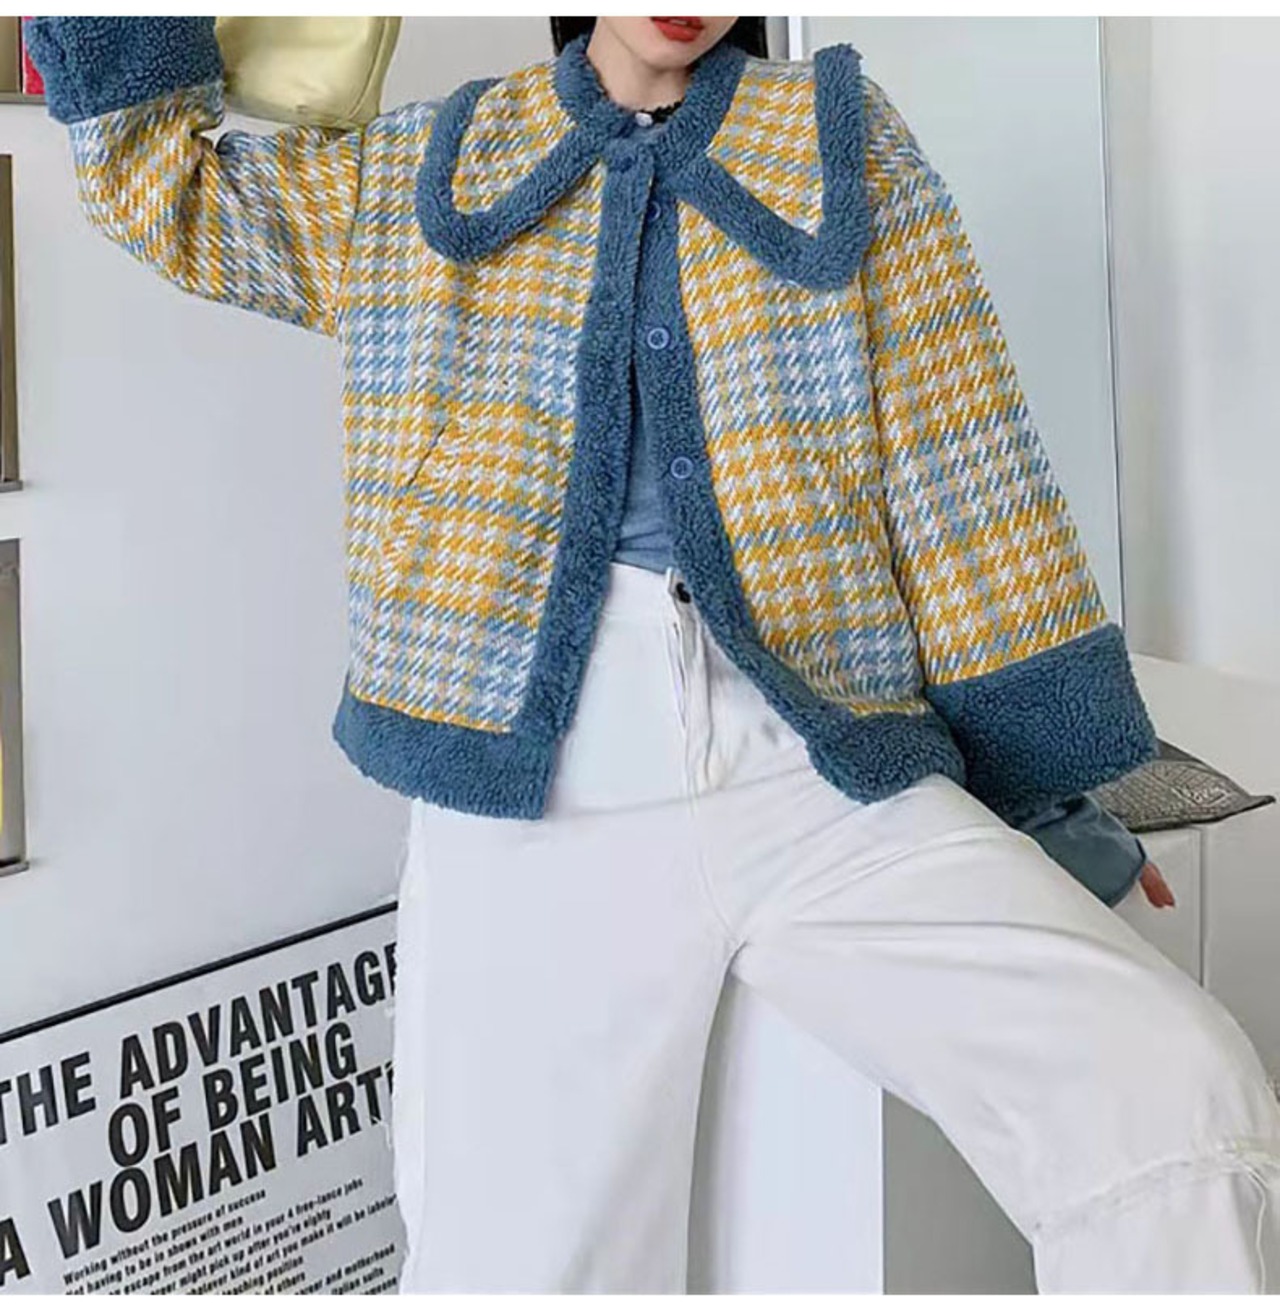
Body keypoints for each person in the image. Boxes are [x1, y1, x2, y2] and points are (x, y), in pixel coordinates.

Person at [24, 13, 1279, 1294]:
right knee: (523, 1272)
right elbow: (163, 189)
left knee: (1168, 1086)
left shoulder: (837, 144)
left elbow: (958, 464)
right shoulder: (435, 161)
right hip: (538, 784)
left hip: (811, 757)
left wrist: (1051, 799)